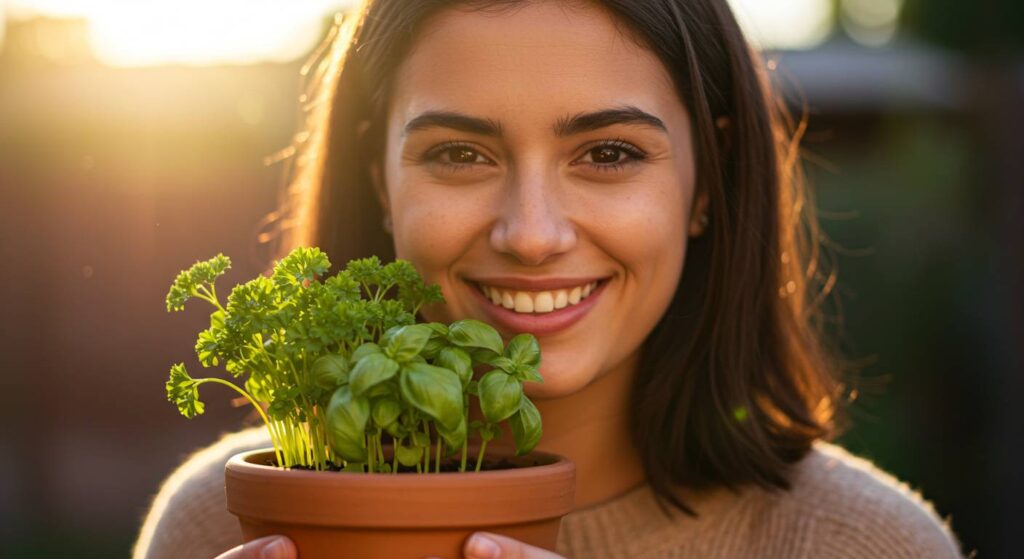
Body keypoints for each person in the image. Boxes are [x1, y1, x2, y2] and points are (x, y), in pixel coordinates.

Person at [133, 1, 964, 558]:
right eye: (459, 154)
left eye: (608, 153)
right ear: (381, 180)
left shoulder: (863, 542)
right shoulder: (225, 524)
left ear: (707, 182)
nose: (531, 234)